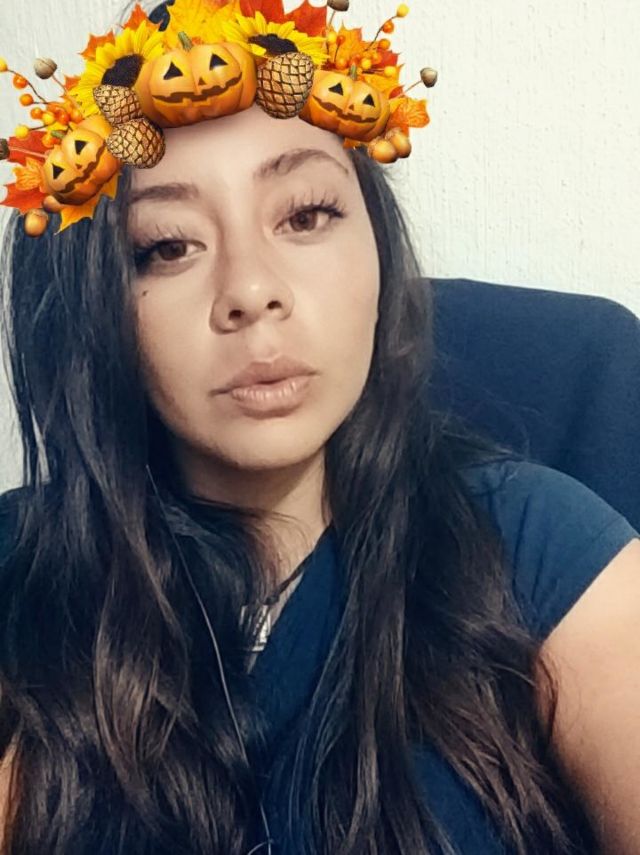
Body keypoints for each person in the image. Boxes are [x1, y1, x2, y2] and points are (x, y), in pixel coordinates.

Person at [0, 2, 639, 854]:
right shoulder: (26, 574)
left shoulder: (541, 543)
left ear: (377, 246)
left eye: (304, 215)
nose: (250, 288)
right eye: (166, 246)